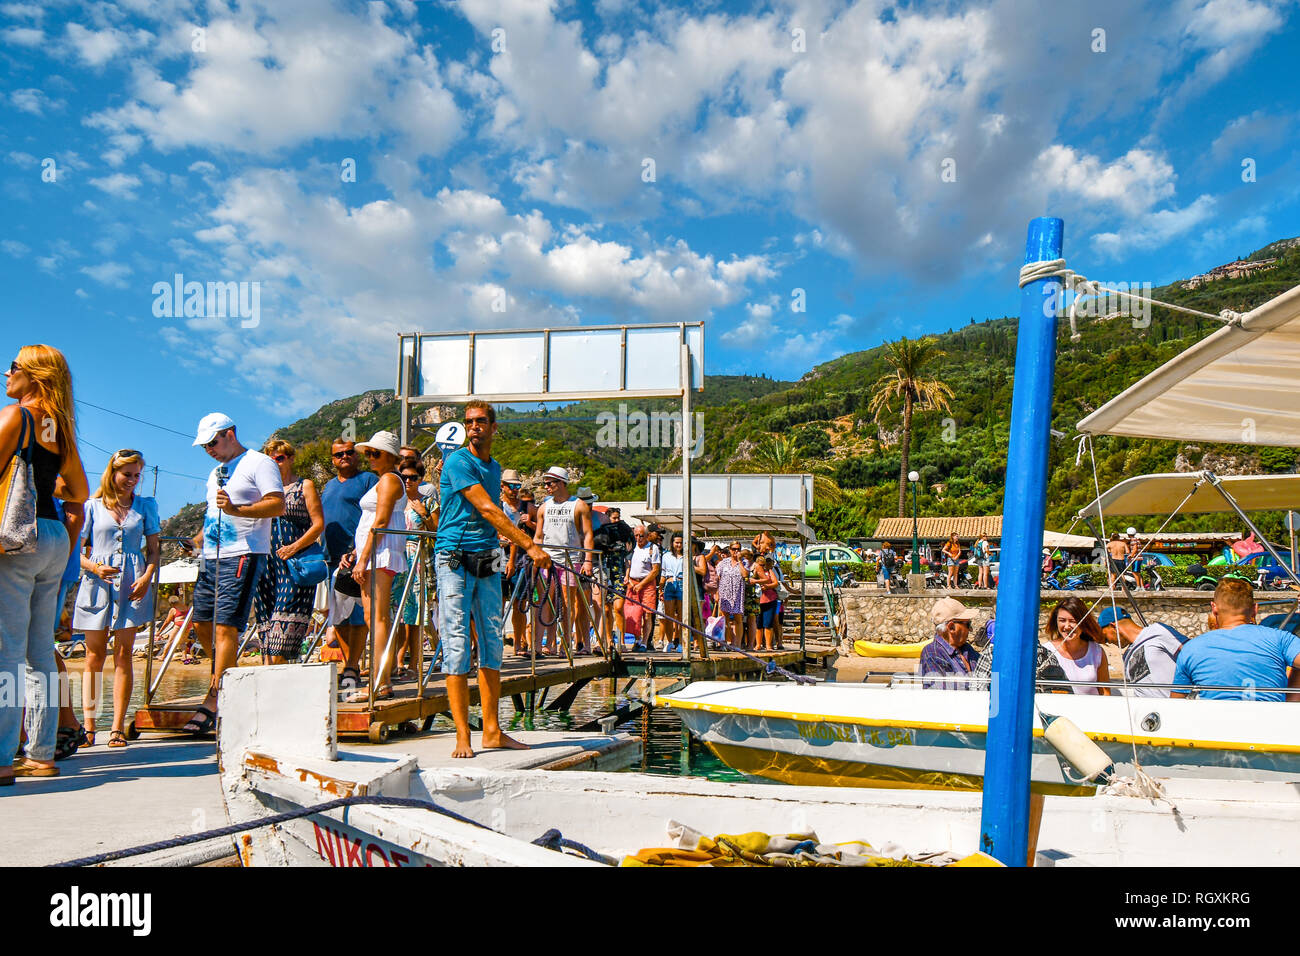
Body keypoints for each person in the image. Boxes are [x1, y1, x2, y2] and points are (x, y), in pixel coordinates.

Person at [437, 401, 552, 757]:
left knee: (492, 643)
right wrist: (530, 545)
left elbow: (492, 517)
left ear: (493, 426)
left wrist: (515, 548)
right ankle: (461, 735)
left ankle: (492, 730)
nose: (474, 427)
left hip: (487, 556)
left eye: (481, 421)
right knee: (457, 644)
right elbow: (487, 507)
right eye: (469, 422)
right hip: (454, 556)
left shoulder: (494, 467)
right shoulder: (458, 462)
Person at [1, 345, 90, 784]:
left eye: (14, 366)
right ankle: (40, 755)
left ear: (33, 375)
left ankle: (2, 759)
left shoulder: (16, 417)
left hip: (16, 538)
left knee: (6, 653)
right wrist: (64, 545)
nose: (6, 372)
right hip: (53, 536)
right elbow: (79, 494)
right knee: (39, 653)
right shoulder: (62, 430)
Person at [184, 413, 284, 735]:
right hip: (211, 555)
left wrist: (237, 511)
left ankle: (215, 699)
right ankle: (228, 678)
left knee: (226, 627)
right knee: (200, 622)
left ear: (230, 434)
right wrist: (196, 542)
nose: (209, 450)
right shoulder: (215, 472)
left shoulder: (259, 463)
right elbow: (214, 512)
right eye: (204, 446)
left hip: (243, 552)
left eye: (213, 442)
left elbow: (277, 505)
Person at [73, 448, 160, 748]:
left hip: (132, 585)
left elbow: (154, 551)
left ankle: (117, 728)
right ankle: (88, 727)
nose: (133, 481)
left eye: (137, 476)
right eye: (127, 475)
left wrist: (147, 577)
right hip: (96, 584)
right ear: (114, 473)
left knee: (124, 655)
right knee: (94, 657)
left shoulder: (146, 506)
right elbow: (76, 551)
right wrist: (95, 566)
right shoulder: (92, 507)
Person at [253, 440, 325, 665]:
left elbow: (318, 524)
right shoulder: (262, 492)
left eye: (280, 457)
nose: (275, 462)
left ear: (291, 458)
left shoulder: (305, 486)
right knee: (266, 624)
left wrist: (294, 547)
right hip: (265, 563)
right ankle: (268, 682)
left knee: (285, 620)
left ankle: (277, 675)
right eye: (271, 458)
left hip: (294, 562)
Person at [1171, 577, 1300, 701]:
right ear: (1255, 609)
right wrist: (1292, 694)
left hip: (1213, 721)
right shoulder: (1281, 639)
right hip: (1270, 721)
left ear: (1214, 608)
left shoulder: (1191, 649)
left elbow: (1176, 705)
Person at [351, 432, 407, 699]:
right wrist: (357, 552)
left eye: (376, 453)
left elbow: (382, 521)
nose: (370, 457)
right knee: (372, 616)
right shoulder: (384, 480)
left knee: (378, 617)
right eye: (368, 453)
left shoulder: (389, 480)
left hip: (380, 553)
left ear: (390, 456)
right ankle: (380, 679)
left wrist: (363, 558)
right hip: (375, 552)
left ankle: (379, 682)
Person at [319, 439, 378, 690]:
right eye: (338, 454)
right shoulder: (329, 486)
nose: (344, 456)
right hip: (331, 558)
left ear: (357, 455)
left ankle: (353, 663)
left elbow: (375, 514)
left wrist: (359, 550)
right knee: (338, 617)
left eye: (349, 452)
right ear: (333, 460)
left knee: (357, 616)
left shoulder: (368, 480)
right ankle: (348, 663)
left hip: (356, 556)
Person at [533, 467, 594, 655]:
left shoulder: (579, 505)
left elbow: (587, 534)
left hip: (571, 559)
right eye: (545, 483)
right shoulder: (544, 507)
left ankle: (565, 643)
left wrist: (588, 560)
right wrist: (534, 555)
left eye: (550, 483)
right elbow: (538, 536)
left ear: (561, 483)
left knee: (568, 603)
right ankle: (537, 645)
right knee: (544, 601)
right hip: (548, 560)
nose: (546, 486)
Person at [389, 461, 436, 678]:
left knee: (415, 615)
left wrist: (424, 513)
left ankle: (414, 666)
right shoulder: (395, 502)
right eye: (404, 477)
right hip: (397, 557)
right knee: (395, 613)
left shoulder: (429, 502)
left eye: (413, 477)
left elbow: (437, 532)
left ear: (420, 479)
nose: (408, 481)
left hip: (417, 558)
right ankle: (396, 662)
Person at [1097, 607, 1188, 698]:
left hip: (1172, 706)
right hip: (1146, 709)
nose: (1108, 642)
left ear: (1113, 627)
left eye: (1105, 637)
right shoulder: (1126, 656)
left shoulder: (1157, 631)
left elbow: (1192, 655)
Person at [1046, 596, 1109, 695]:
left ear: (1083, 622)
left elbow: (1105, 692)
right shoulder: (1046, 651)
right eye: (1062, 620)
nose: (1067, 626)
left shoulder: (1096, 652)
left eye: (1073, 621)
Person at [919, 597, 980, 689]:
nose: (970, 629)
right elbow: (945, 696)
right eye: (968, 624)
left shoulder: (966, 648)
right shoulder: (932, 654)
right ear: (951, 627)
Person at [623, 524, 661, 650]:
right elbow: (627, 564)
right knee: (633, 613)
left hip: (647, 584)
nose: (639, 538)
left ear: (647, 536)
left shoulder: (653, 548)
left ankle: (645, 642)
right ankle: (637, 639)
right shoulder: (632, 548)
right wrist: (628, 578)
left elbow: (655, 570)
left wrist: (641, 584)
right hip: (632, 583)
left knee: (647, 614)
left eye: (641, 536)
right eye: (636, 536)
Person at [715, 542, 746, 648]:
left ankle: (737, 644)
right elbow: (717, 578)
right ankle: (724, 642)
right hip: (725, 593)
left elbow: (745, 574)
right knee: (724, 618)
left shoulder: (744, 563)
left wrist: (740, 561)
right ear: (730, 549)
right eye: (733, 549)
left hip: (737, 593)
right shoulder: (723, 562)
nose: (736, 551)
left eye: (738, 549)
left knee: (738, 619)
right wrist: (717, 593)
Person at [660, 534, 685, 652]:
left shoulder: (686, 556)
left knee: (681, 617)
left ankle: (680, 642)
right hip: (669, 584)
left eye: (680, 542)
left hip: (681, 582)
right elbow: (663, 574)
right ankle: (669, 642)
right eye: (676, 542)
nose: (678, 545)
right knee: (668, 616)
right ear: (672, 543)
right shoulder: (666, 556)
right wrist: (660, 589)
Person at [754, 555, 780, 652]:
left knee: (768, 623)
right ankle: (758, 644)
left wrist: (767, 586)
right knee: (758, 624)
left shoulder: (769, 572)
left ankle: (768, 645)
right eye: (760, 565)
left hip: (770, 600)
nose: (762, 566)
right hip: (757, 601)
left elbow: (775, 583)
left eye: (763, 565)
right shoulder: (753, 573)